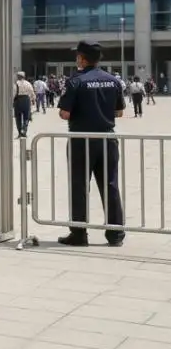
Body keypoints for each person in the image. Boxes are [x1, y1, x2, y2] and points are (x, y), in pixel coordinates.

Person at [58, 40, 125, 247]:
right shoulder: (112, 80)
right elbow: (119, 112)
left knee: (79, 186)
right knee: (110, 186)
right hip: (107, 139)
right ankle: (115, 234)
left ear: (82, 58)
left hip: (82, 140)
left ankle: (79, 234)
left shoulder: (75, 81)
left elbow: (64, 113)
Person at [12, 72, 36, 138]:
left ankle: (20, 132)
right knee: (26, 117)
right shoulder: (28, 83)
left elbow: (13, 93)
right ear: (24, 76)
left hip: (18, 100)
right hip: (26, 100)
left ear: (18, 76)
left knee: (18, 117)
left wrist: (12, 102)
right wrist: (33, 99)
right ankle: (24, 131)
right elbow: (32, 91)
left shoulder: (16, 83)